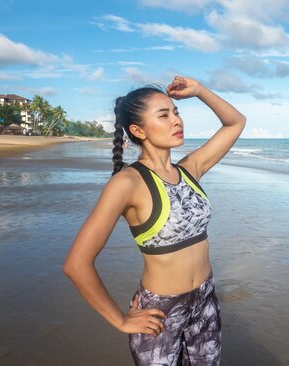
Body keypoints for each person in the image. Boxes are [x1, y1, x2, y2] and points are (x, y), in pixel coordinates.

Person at [63, 75, 246, 365]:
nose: (177, 121)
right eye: (164, 115)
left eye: (176, 112)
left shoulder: (190, 170)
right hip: (160, 313)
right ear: (138, 130)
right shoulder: (127, 183)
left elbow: (235, 122)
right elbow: (76, 264)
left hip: (205, 301)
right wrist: (121, 320)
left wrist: (198, 90)